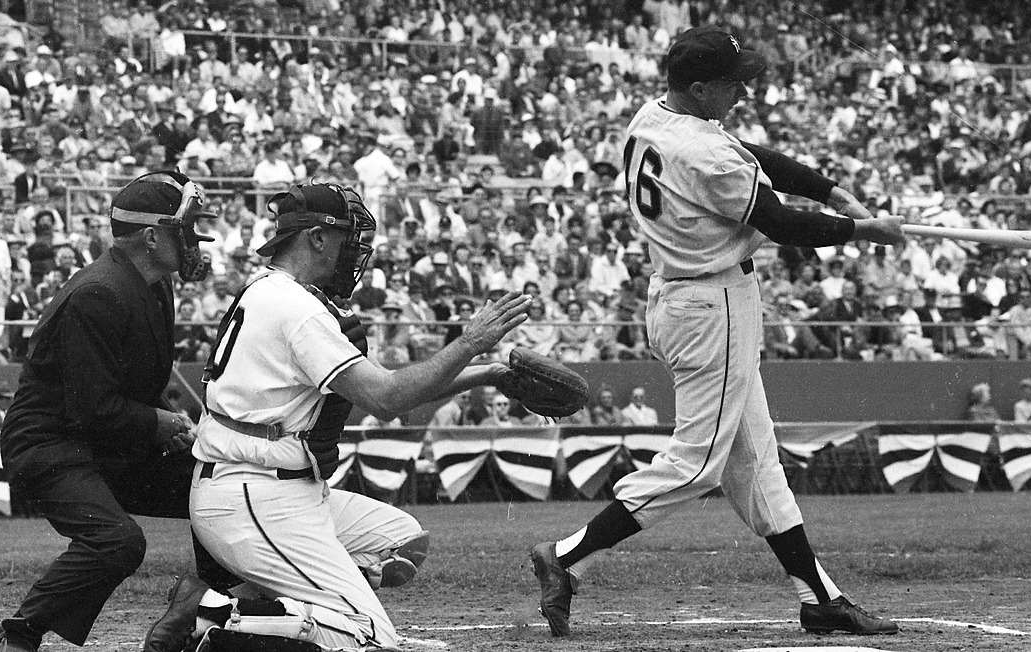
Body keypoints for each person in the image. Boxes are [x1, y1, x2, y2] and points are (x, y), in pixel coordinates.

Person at [529, 28, 903, 639]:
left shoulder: (655, 117)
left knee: (757, 464)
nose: (743, 91)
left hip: (686, 298)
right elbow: (778, 221)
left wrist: (835, 191)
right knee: (697, 464)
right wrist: (863, 231)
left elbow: (752, 154)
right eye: (733, 83)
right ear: (700, 87)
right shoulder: (706, 155)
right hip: (714, 305)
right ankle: (566, 556)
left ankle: (820, 597)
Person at [141, 182, 531, 652]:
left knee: (401, 541)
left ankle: (273, 606)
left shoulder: (273, 292)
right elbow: (386, 399)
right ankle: (212, 615)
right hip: (255, 492)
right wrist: (470, 343)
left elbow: (387, 390)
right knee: (368, 639)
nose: (355, 254)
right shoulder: (296, 308)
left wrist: (485, 374)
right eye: (349, 240)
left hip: (276, 488)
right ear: (317, 238)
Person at [0, 172, 228, 652]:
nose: (195, 238)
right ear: (152, 237)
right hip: (49, 446)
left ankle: (196, 607)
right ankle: (15, 635)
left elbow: (132, 389)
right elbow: (93, 408)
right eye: (185, 227)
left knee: (217, 486)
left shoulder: (153, 286)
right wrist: (160, 422)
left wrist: (170, 425)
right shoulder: (99, 292)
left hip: (101, 441)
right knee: (117, 542)